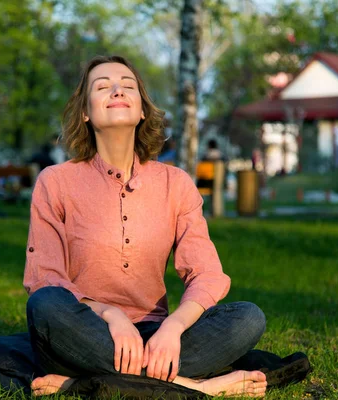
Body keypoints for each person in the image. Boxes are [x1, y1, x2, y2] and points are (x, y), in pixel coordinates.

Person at [23, 55, 267, 398]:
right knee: (45, 305)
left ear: (141, 110)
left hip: (155, 336)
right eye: (102, 86)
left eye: (128, 85)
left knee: (249, 317)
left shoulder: (176, 184)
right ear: (86, 113)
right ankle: (196, 387)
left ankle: (84, 383)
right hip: (84, 329)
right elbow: (45, 276)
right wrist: (109, 314)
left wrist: (173, 327)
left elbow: (207, 275)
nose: (117, 90)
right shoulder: (56, 182)